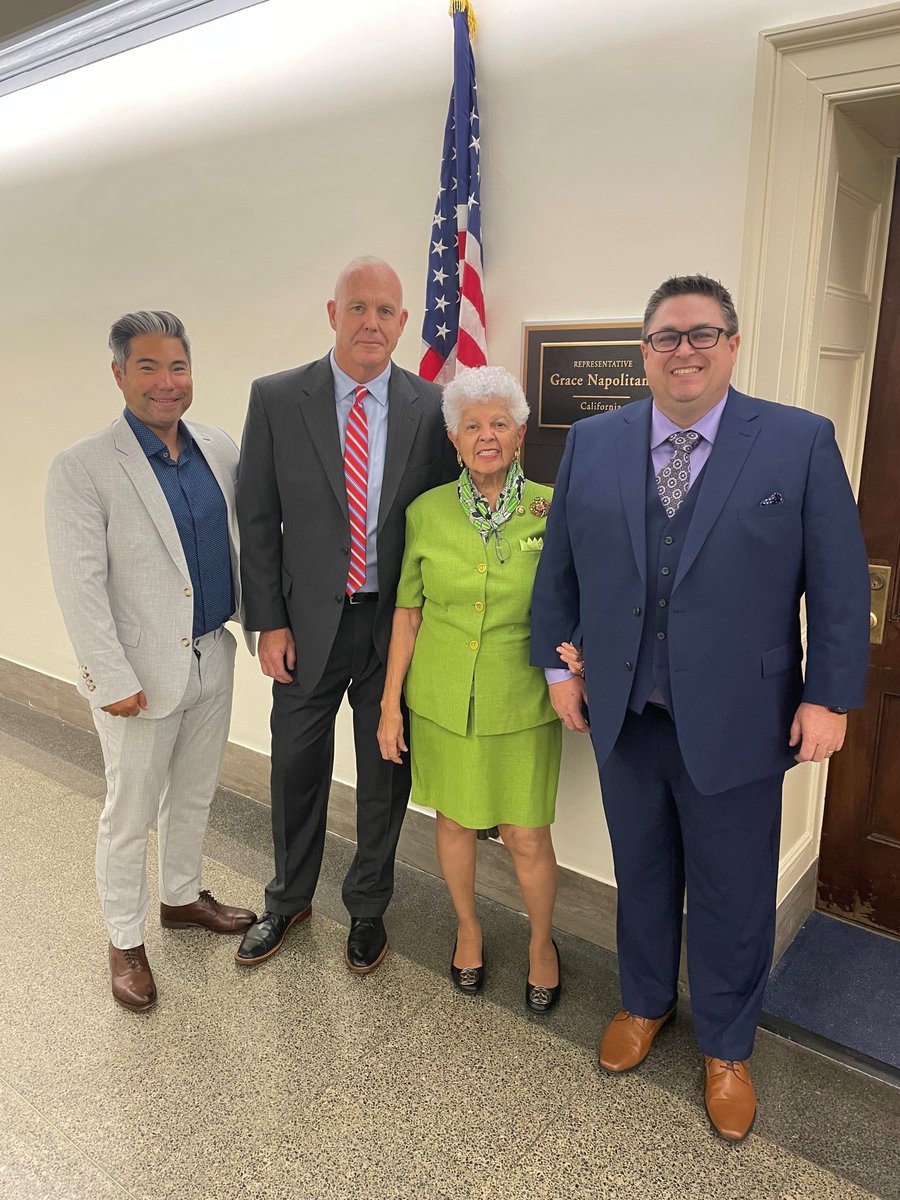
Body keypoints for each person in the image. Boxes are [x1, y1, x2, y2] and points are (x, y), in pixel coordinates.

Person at [531, 275, 870, 1140]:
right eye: (666, 336)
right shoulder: (594, 442)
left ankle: (726, 1045)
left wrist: (828, 695)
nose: (684, 350)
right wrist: (557, 669)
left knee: (733, 890)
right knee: (641, 872)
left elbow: (836, 584)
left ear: (733, 344)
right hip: (626, 714)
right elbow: (559, 572)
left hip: (743, 719)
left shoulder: (798, 442)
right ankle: (645, 1004)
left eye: (702, 334)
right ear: (643, 352)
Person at [235, 257, 457, 973]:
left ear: (402, 323)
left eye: (386, 311)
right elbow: (258, 516)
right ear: (333, 314)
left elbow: (444, 525)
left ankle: (367, 909)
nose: (371, 322)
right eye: (358, 307)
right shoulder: (276, 399)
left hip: (392, 631)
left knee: (385, 774)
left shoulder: (430, 408)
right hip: (304, 627)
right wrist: (267, 621)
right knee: (297, 764)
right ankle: (289, 897)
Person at [45, 311, 257, 1012]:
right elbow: (79, 583)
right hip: (137, 675)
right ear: (118, 374)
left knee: (195, 791)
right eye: (148, 368)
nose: (167, 384)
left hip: (210, 653)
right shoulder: (83, 468)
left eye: (178, 368)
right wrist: (111, 679)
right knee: (129, 813)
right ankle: (124, 938)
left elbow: (243, 543)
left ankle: (181, 897)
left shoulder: (218, 448)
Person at [377, 365, 563, 1012]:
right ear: (453, 438)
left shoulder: (551, 505)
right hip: (441, 698)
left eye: (499, 424)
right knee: (452, 821)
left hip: (524, 699)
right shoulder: (425, 513)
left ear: (520, 433)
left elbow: (575, 603)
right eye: (472, 426)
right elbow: (407, 613)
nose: (486, 436)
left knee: (526, 834)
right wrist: (388, 707)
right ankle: (468, 928)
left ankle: (542, 943)